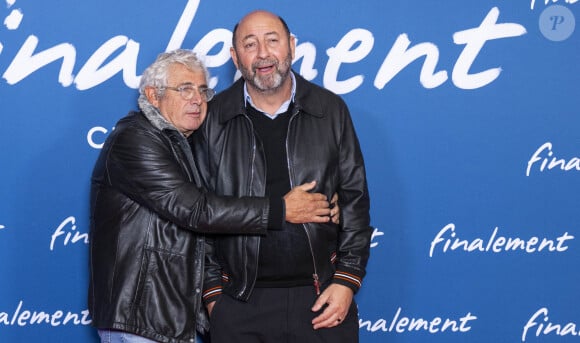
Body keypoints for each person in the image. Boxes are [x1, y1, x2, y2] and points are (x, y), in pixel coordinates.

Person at [88, 49, 338, 343]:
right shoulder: (136, 140)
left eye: (203, 90)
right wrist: (281, 210)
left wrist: (324, 204)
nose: (197, 99)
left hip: (166, 316)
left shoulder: (179, 142)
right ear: (153, 96)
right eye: (184, 89)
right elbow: (193, 209)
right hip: (142, 317)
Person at [193, 10, 372, 343]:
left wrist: (347, 280)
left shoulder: (330, 109)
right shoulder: (212, 119)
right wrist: (214, 295)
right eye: (250, 44)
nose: (262, 53)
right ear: (235, 57)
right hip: (239, 302)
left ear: (291, 46)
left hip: (320, 299)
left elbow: (355, 201)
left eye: (272, 40)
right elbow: (198, 210)